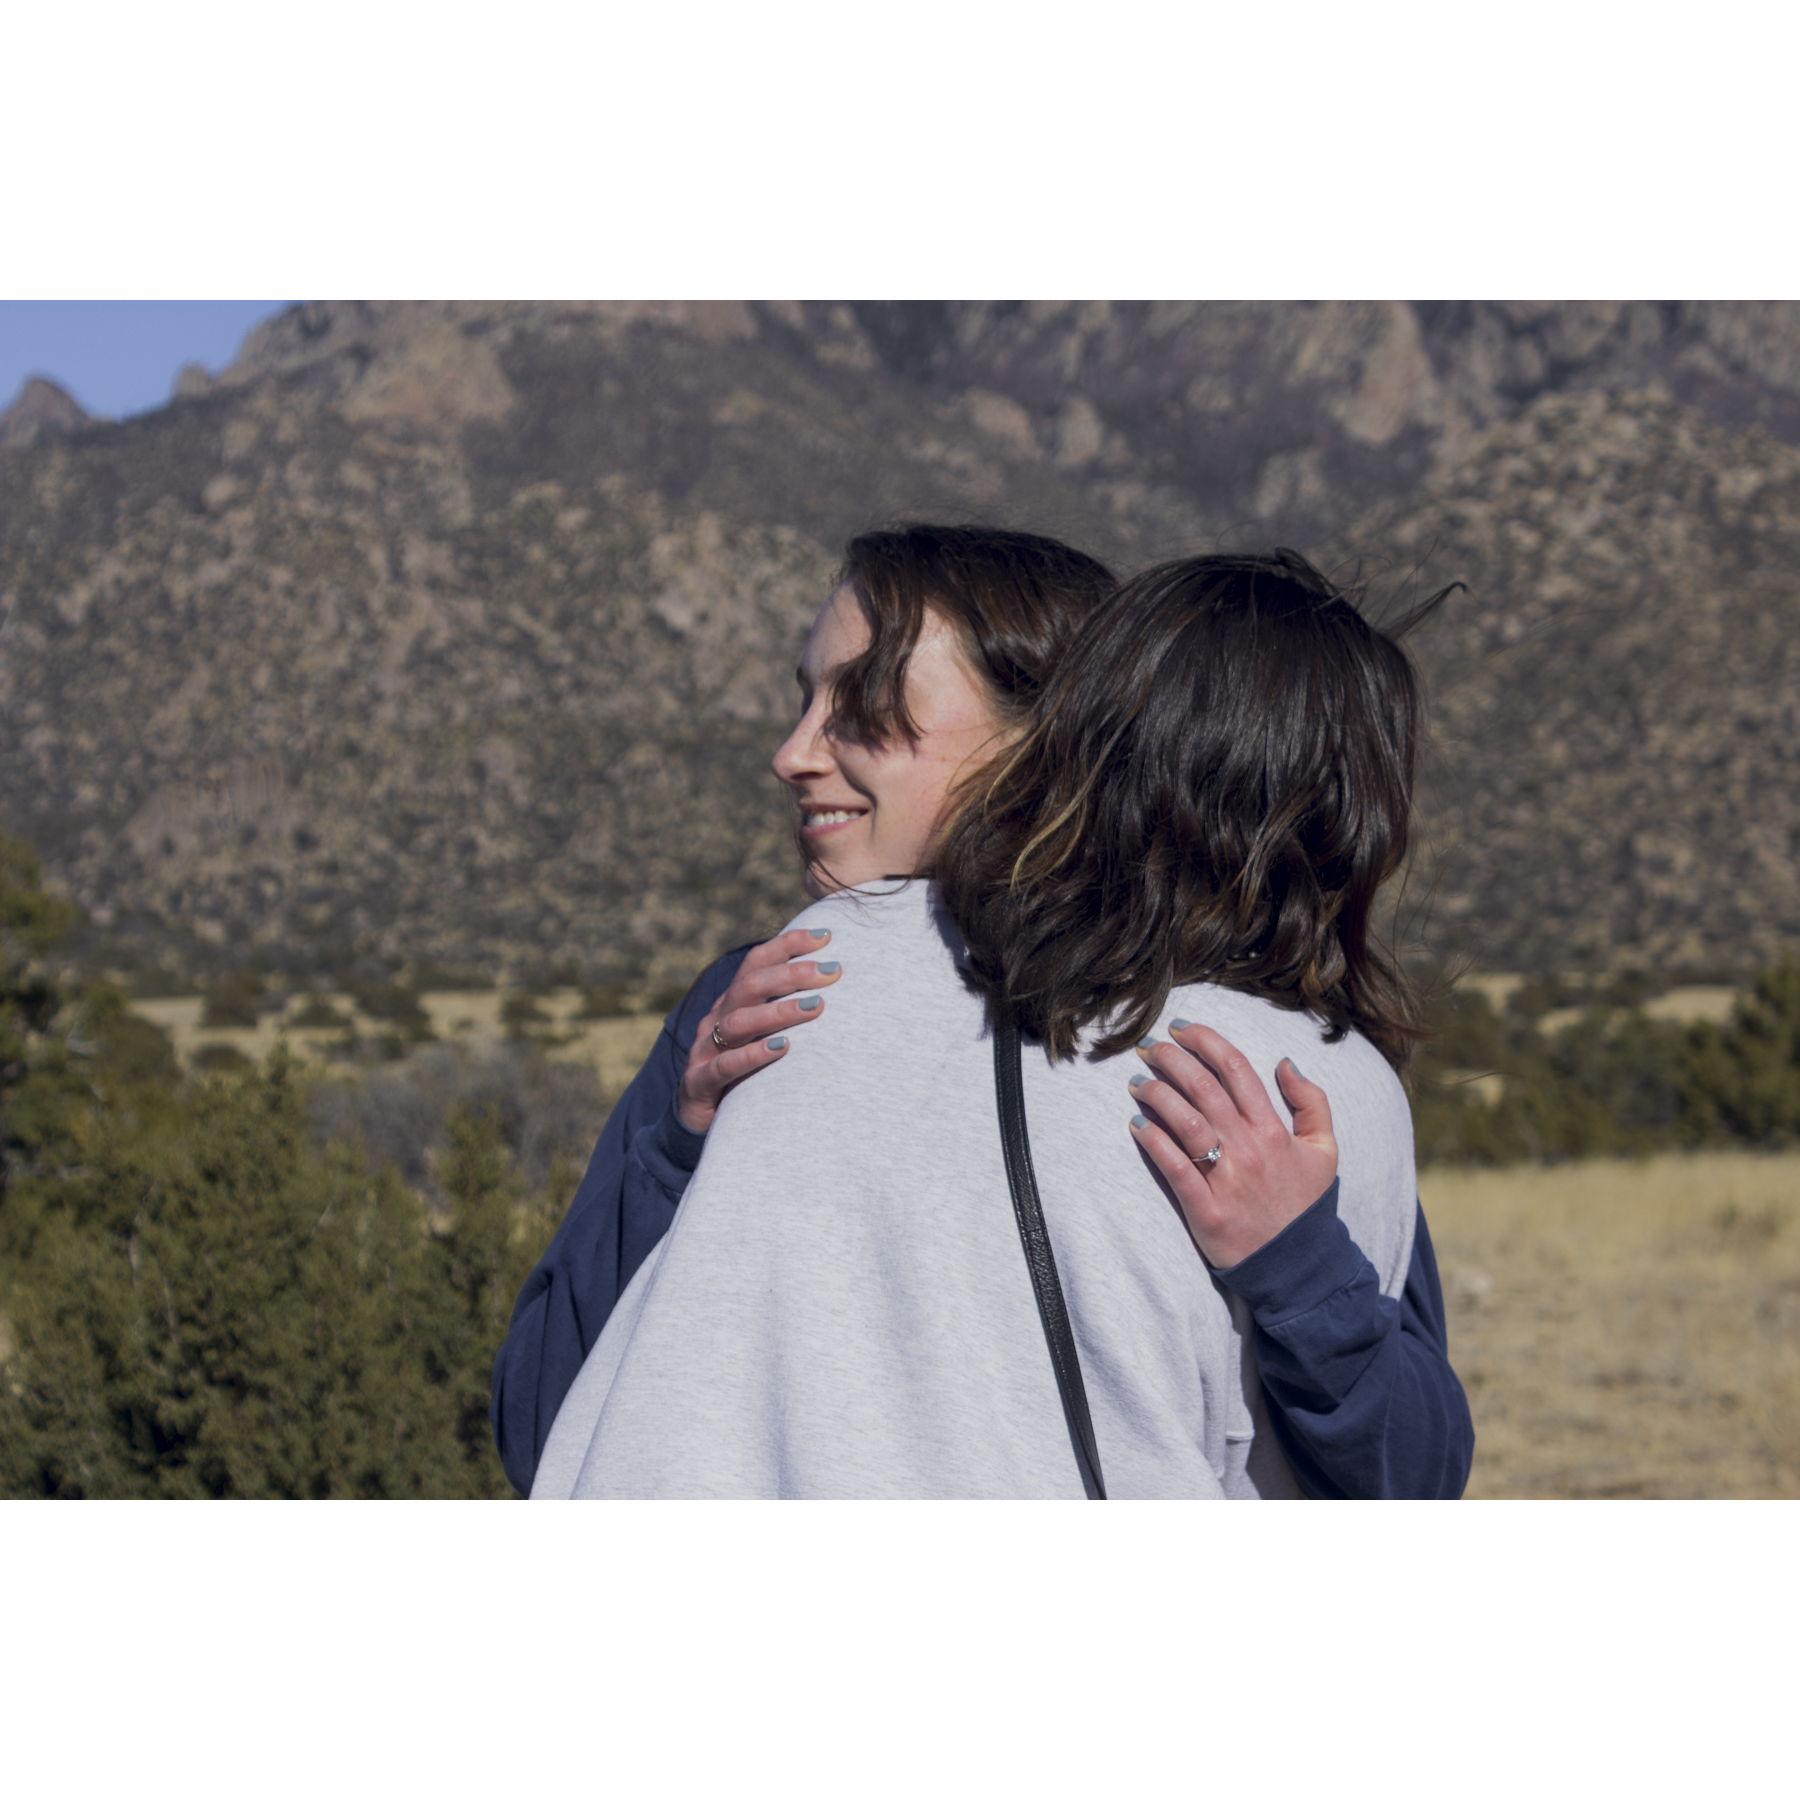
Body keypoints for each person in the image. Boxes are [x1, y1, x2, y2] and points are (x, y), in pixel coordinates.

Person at [494, 526, 1473, 1497]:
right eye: (805, 701)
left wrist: (1302, 1273)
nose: (792, 755)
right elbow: (552, 1414)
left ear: (1058, 738)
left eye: (869, 709)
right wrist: (676, 1150)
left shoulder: (1270, 1065)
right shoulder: (758, 1005)